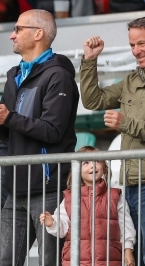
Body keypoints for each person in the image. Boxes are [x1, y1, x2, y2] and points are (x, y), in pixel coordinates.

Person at [0, 9, 79, 265]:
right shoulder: (14, 75)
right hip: (15, 188)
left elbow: (52, 130)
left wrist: (7, 117)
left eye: (18, 29)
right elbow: (8, 134)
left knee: (49, 260)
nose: (12, 35)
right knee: (5, 260)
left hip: (48, 187)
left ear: (38, 34)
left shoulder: (59, 75)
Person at [79, 17, 145, 265]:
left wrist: (124, 123)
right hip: (131, 184)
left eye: (142, 43)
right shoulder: (131, 81)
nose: (136, 50)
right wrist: (89, 60)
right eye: (132, 45)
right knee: (133, 255)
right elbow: (92, 101)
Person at [40, 146, 136, 266]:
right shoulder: (70, 198)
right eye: (86, 163)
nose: (92, 165)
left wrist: (128, 250)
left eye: (97, 161)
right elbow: (62, 228)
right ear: (77, 170)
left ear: (104, 167)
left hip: (109, 261)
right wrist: (52, 223)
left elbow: (126, 226)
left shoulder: (115, 196)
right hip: (77, 261)